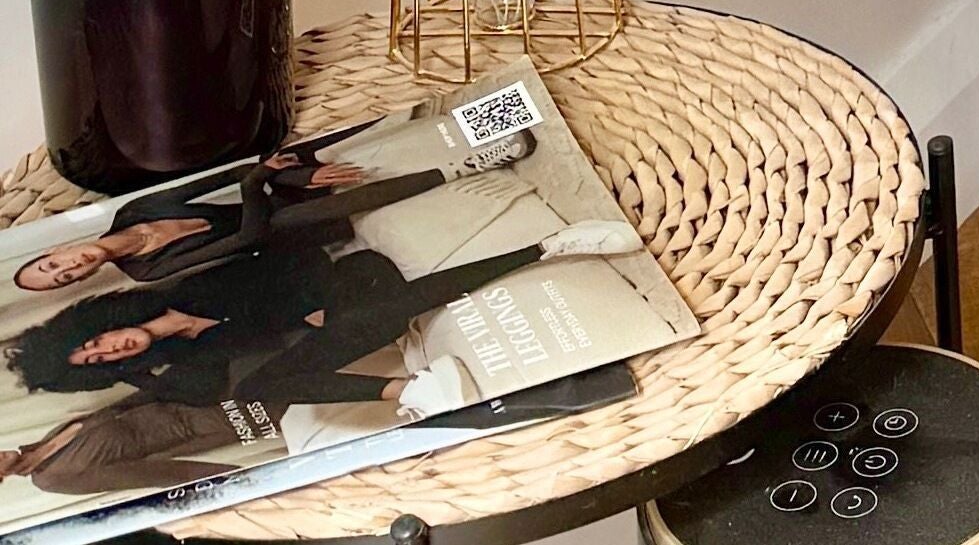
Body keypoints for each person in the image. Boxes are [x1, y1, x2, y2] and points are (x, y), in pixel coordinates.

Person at [3, 220, 633, 415]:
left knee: (375, 311)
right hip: (342, 322)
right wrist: (134, 373)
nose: (107, 349)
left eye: (93, 343)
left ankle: (551, 245)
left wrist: (309, 303)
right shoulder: (175, 366)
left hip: (343, 280)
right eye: (99, 364)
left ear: (95, 322)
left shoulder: (174, 285)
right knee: (262, 386)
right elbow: (205, 396)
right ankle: (408, 388)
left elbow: (278, 255)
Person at [10, 123, 482, 294]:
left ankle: (402, 113)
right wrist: (263, 181)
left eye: (53, 263)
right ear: (82, 280)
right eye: (64, 278)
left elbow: (229, 175)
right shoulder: (147, 270)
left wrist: (283, 176)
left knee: (300, 156)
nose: (68, 267)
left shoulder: (133, 212)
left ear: (60, 246)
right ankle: (460, 169)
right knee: (285, 215)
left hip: (274, 191)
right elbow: (248, 238)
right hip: (287, 232)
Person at [0, 398, 250, 496]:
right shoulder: (53, 479)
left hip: (181, 400)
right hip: (190, 428)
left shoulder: (44, 440)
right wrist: (237, 479)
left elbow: (119, 410)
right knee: (274, 410)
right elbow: (145, 475)